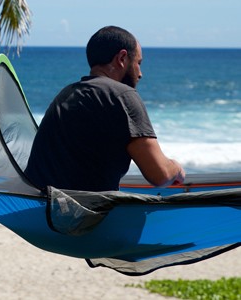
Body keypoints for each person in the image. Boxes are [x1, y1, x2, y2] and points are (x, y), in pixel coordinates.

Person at [24, 26, 185, 192]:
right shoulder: (122, 95)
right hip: (81, 214)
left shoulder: (66, 93)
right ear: (122, 58)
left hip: (40, 206)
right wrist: (177, 169)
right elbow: (160, 174)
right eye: (138, 63)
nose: (140, 73)